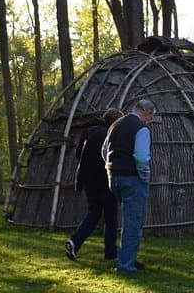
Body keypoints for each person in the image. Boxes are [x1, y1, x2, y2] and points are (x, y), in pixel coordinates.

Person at [104, 99, 157, 274]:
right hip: (132, 178)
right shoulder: (141, 129)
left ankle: (128, 258)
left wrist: (112, 167)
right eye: (151, 115)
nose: (150, 120)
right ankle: (126, 265)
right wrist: (144, 176)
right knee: (133, 223)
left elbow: (104, 150)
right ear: (146, 112)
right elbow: (141, 157)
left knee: (128, 220)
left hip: (114, 178)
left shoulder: (116, 125)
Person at [66, 108, 123, 261]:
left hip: (88, 180)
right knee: (111, 217)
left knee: (94, 213)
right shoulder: (110, 134)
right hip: (105, 180)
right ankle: (110, 252)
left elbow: (78, 153)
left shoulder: (89, 131)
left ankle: (75, 242)